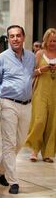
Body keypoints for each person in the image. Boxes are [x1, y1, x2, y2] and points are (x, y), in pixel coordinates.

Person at [0, 25, 35, 194]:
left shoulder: (31, 57)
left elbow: (31, 75)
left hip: (27, 104)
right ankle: (13, 181)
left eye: (18, 35)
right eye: (12, 36)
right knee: (9, 143)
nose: (15, 39)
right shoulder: (1, 58)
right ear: (8, 39)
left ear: (23, 37)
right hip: (8, 102)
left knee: (20, 141)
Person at [25, 28, 56, 163]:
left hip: (54, 92)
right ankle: (34, 150)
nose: (53, 43)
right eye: (51, 41)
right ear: (46, 41)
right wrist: (40, 70)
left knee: (52, 123)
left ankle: (48, 153)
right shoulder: (39, 54)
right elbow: (29, 73)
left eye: (55, 41)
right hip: (40, 92)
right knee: (39, 120)